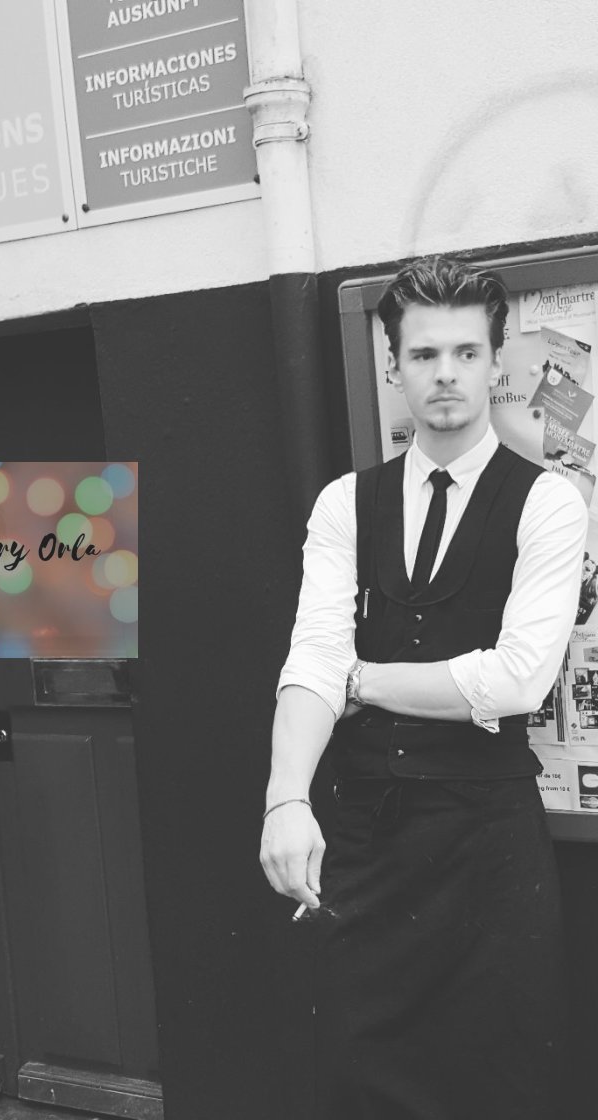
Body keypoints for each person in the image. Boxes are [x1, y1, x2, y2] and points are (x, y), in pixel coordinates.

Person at [259, 256, 588, 1120]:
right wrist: (285, 799)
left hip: (490, 844)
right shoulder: (345, 504)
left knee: (501, 1082)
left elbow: (517, 678)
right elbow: (309, 660)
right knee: (361, 1080)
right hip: (369, 840)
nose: (446, 374)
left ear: (495, 361)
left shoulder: (548, 502)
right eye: (426, 355)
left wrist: (360, 679)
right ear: (394, 365)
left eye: (467, 354)